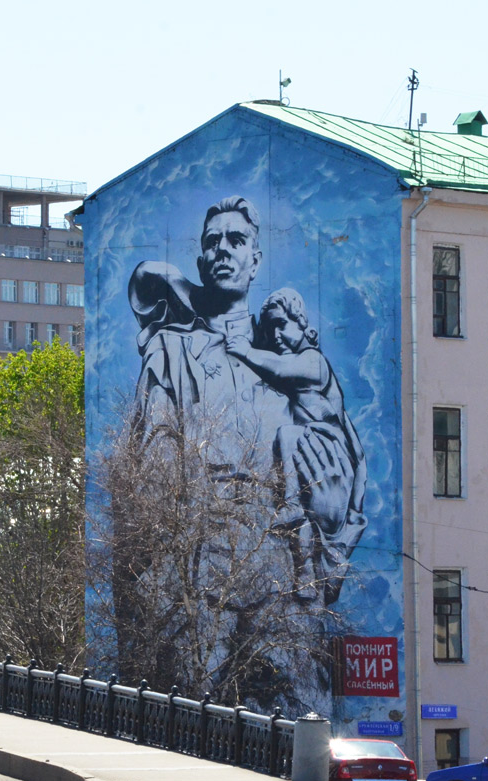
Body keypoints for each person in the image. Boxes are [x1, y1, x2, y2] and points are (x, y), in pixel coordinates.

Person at [123, 196, 368, 711]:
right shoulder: (172, 351)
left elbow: (341, 453)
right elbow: (152, 471)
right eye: (212, 242)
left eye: (236, 241)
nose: (223, 250)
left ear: (255, 260)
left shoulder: (287, 354)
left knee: (302, 712)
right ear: (200, 262)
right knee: (193, 708)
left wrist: (331, 513)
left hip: (285, 563)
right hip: (203, 562)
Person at [225, 287, 366, 589]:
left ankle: (289, 506)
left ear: (301, 322)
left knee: (287, 436)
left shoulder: (314, 360)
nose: (276, 335)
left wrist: (246, 351)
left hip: (330, 455)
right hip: (315, 463)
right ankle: (305, 580)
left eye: (281, 324)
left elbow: (282, 369)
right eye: (270, 329)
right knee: (299, 518)